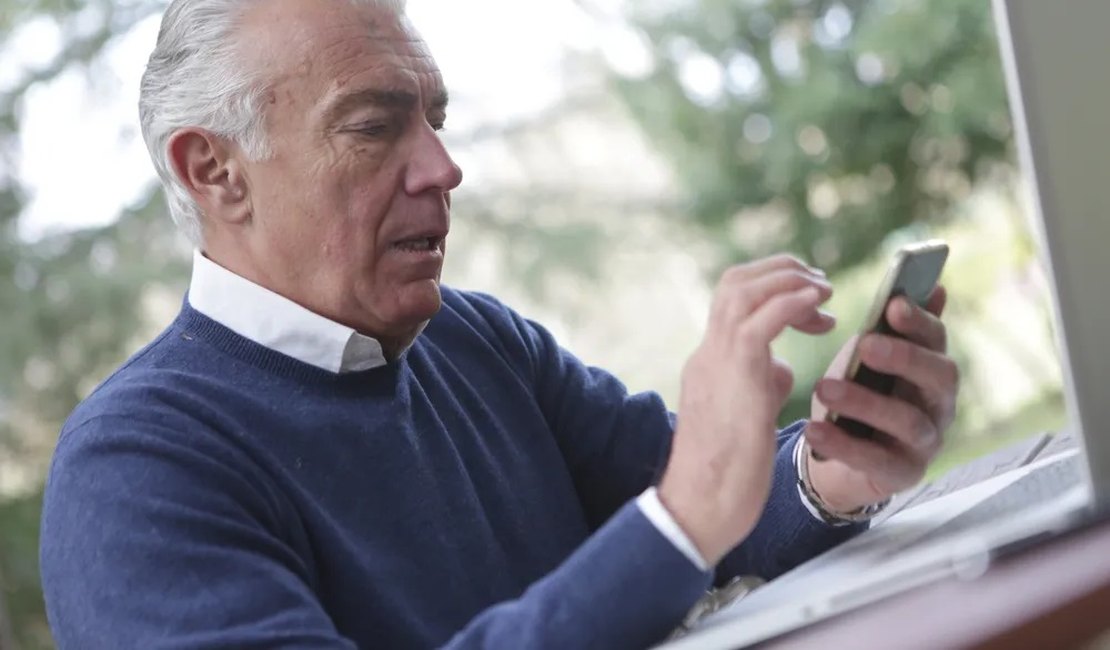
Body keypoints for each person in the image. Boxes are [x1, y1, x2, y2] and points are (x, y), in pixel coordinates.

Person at [38, 0, 958, 648]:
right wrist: (683, 519)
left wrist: (831, 470)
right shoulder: (133, 471)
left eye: (435, 120)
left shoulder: (476, 339)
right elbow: (683, 520)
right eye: (373, 128)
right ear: (214, 171)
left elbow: (712, 508)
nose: (443, 169)